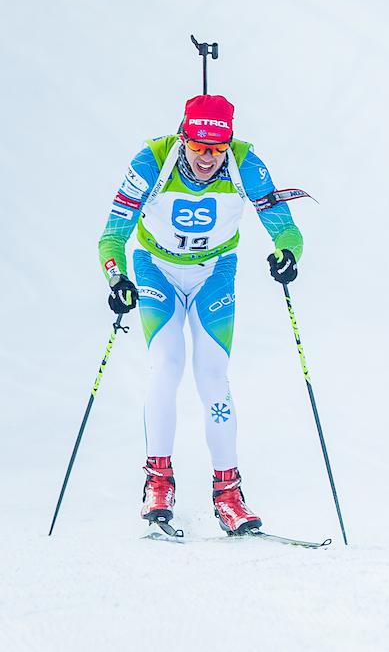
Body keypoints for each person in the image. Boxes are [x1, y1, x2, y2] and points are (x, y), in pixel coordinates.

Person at [98, 94, 303, 534]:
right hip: (157, 270)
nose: (208, 158)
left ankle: (228, 494)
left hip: (214, 271)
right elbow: (113, 235)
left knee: (213, 374)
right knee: (166, 367)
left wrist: (287, 253)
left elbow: (285, 227)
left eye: (217, 148)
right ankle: (158, 481)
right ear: (183, 136)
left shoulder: (245, 163)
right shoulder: (152, 160)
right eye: (198, 146)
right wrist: (117, 278)